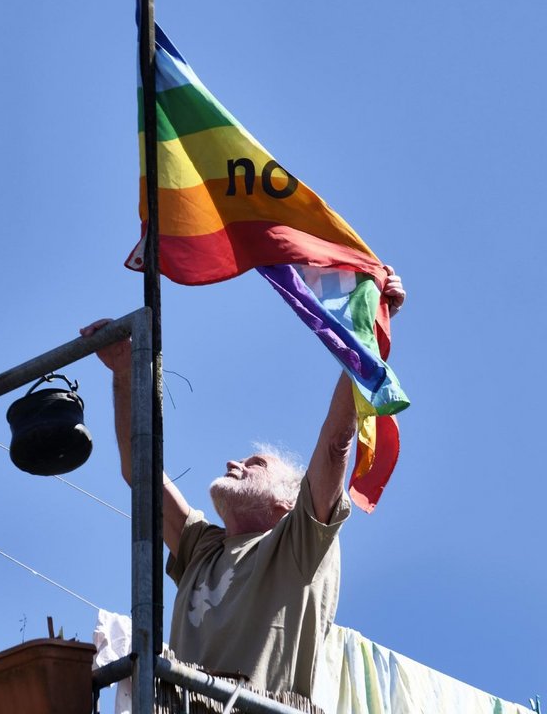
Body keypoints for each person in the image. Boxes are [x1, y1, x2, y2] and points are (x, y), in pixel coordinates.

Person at [79, 268, 406, 700]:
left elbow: (334, 444)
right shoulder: (202, 547)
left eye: (256, 463)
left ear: (289, 499)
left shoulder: (300, 542)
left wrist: (368, 328)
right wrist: (124, 372)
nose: (234, 462)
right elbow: (139, 474)